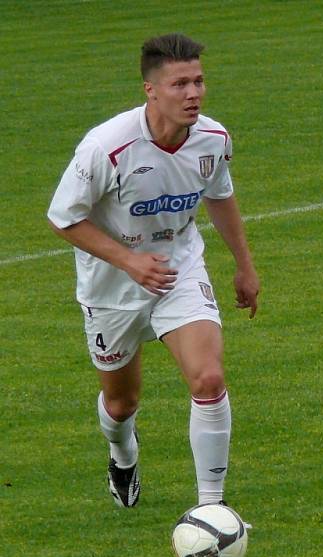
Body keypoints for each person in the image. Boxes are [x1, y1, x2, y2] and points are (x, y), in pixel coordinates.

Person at [47, 33, 259, 507]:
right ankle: (122, 454)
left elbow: (219, 195)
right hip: (111, 288)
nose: (194, 94)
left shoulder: (214, 139)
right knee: (122, 405)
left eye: (199, 82)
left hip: (179, 269)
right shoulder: (107, 147)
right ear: (151, 90)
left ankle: (212, 509)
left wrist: (245, 266)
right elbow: (63, 218)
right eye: (180, 84)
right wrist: (129, 261)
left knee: (208, 379)